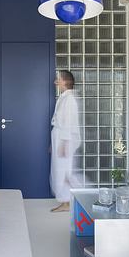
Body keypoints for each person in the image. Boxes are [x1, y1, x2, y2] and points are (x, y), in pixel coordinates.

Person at [50, 70, 81, 212]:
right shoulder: (63, 97)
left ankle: (67, 203)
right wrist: (54, 143)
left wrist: (64, 143)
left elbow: (68, 123)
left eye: (59, 79)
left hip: (65, 140)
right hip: (60, 138)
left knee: (63, 170)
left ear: (66, 81)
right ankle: (66, 201)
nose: (56, 81)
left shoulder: (69, 99)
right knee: (60, 169)